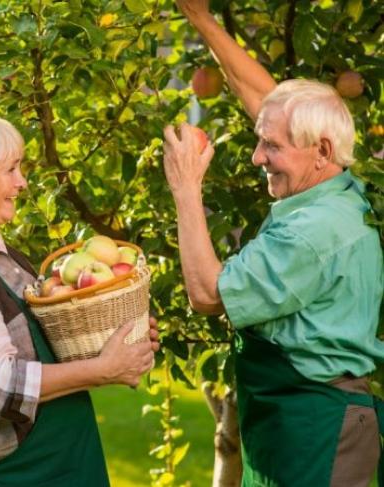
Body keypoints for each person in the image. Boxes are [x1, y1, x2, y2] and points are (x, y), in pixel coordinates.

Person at [160, 1, 384, 486]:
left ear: (320, 150)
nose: (258, 156)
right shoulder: (336, 187)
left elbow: (206, 293)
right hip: (298, 421)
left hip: (315, 432)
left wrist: (185, 187)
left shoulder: (309, 232)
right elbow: (269, 102)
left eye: (272, 147)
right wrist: (201, 18)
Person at [0, 109, 158, 487]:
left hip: (57, 459)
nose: (22, 183)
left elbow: (40, 346)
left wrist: (119, 341)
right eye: (10, 170)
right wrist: (104, 370)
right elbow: (1, 386)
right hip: (6, 472)